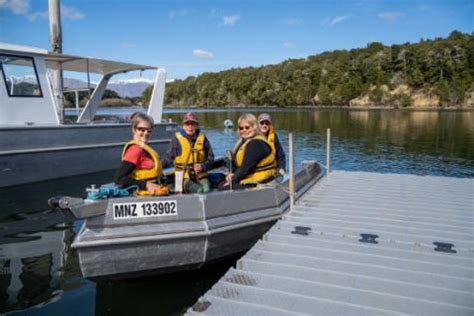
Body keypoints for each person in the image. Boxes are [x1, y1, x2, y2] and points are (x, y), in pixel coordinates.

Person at [219, 113, 276, 190]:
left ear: (254, 127)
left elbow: (245, 168)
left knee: (223, 187)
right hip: (252, 176)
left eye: (247, 127)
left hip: (262, 181)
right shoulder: (247, 142)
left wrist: (233, 180)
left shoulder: (256, 143)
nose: (244, 130)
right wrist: (233, 175)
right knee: (221, 182)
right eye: (241, 128)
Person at [163, 112, 214, 193]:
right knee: (199, 190)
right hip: (183, 177)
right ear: (183, 126)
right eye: (187, 124)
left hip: (200, 176)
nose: (190, 127)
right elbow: (167, 159)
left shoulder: (203, 139)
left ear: (197, 126)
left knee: (206, 189)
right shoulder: (176, 140)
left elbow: (211, 158)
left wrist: (203, 166)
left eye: (193, 124)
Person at [114, 112, 164, 195]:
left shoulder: (143, 148)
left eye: (149, 130)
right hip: (142, 195)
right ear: (134, 129)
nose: (146, 133)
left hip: (153, 191)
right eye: (142, 129)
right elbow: (119, 178)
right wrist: (146, 184)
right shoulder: (135, 150)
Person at [257, 113, 286, 180]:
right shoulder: (252, 136)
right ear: (257, 124)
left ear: (270, 125)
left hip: (271, 170)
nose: (264, 125)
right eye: (262, 123)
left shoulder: (274, 137)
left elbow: (280, 155)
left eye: (267, 123)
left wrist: (282, 168)